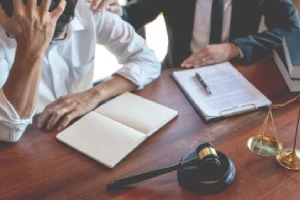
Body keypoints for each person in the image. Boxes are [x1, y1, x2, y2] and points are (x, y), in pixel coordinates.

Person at [0, 0, 161, 142]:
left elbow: (147, 60)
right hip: (26, 138)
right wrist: (31, 47)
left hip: (83, 123)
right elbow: (8, 130)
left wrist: (94, 95)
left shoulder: (86, 9)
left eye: (55, 39)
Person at [89, 0, 300, 70]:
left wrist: (234, 48)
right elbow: (133, 14)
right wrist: (115, 12)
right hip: (179, 70)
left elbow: (291, 29)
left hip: (238, 70)